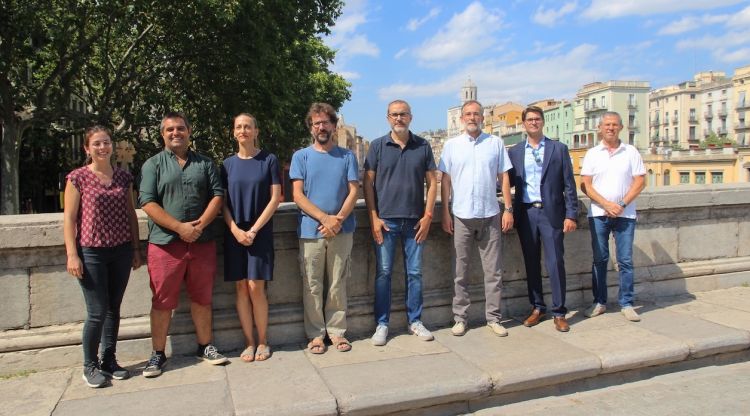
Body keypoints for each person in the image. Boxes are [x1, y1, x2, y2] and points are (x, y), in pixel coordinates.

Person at [139, 111, 227, 378]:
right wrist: (179, 228)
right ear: (162, 135)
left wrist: (198, 227)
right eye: (169, 130)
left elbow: (217, 195)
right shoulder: (152, 165)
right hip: (165, 244)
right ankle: (157, 354)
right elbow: (147, 202)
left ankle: (205, 346)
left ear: (189, 131)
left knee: (202, 297)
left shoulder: (205, 163)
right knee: (163, 300)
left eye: (180, 128)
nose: (175, 133)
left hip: (202, 241)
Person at [63, 125, 142, 388]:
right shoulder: (78, 178)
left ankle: (109, 360)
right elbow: (70, 219)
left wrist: (135, 249)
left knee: (113, 309)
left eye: (106, 142)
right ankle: (90, 365)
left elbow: (131, 214)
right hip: (91, 251)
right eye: (96, 144)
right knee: (96, 312)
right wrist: (72, 255)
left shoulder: (123, 178)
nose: (102, 147)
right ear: (87, 148)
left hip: (120, 250)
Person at [363, 100, 438, 346]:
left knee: (415, 273)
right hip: (385, 221)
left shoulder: (423, 145)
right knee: (383, 273)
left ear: (410, 117)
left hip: (415, 221)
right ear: (388, 118)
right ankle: (382, 324)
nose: (398, 118)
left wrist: (428, 217)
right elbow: (367, 184)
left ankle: (415, 321)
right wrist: (373, 217)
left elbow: (432, 182)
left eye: (403, 114)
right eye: (394, 115)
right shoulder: (377, 146)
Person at [439, 100, 514, 337]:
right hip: (461, 214)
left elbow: (504, 177)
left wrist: (508, 209)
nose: (472, 118)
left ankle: (493, 318)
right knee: (459, 271)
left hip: (490, 213)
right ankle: (460, 318)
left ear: (482, 117)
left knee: (494, 271)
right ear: (462, 119)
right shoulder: (451, 146)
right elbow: (446, 181)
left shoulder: (495, 143)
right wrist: (445, 212)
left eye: (476, 114)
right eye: (468, 114)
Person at [290, 102, 359, 354]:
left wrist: (337, 219)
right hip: (310, 230)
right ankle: (316, 334)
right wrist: (324, 218)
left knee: (338, 282)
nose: (321, 126)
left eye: (325, 122)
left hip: (342, 228)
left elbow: (354, 190)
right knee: (312, 283)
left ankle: (338, 332)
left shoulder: (347, 156)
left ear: (334, 125)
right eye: (316, 123)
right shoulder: (301, 156)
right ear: (311, 128)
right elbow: (297, 195)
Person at [508, 106, 578, 333]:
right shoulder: (516, 151)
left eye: (537, 119)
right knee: (531, 263)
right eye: (529, 119)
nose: (534, 123)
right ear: (523, 124)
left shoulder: (558, 149)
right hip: (526, 213)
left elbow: (569, 185)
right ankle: (538, 307)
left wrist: (571, 214)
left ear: (543, 122)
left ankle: (559, 312)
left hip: (552, 214)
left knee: (555, 263)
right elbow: (505, 182)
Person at [221, 113, 281, 362]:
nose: (243, 130)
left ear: (256, 131)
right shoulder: (226, 165)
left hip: (260, 230)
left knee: (256, 287)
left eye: (248, 126)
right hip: (235, 232)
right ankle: (249, 342)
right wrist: (234, 229)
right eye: (239, 127)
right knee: (240, 288)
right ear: (233, 132)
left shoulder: (269, 160)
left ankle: (264, 341)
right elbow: (222, 203)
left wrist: (254, 229)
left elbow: (275, 198)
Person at [580, 111, 646, 322]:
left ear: (621, 128)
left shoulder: (631, 152)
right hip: (599, 214)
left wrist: (621, 204)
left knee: (625, 260)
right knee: (600, 259)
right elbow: (586, 185)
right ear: (600, 128)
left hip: (625, 215)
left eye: (614, 125)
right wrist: (607, 204)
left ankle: (626, 303)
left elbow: (640, 182)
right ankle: (599, 302)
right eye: (607, 125)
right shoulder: (592, 153)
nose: (610, 128)